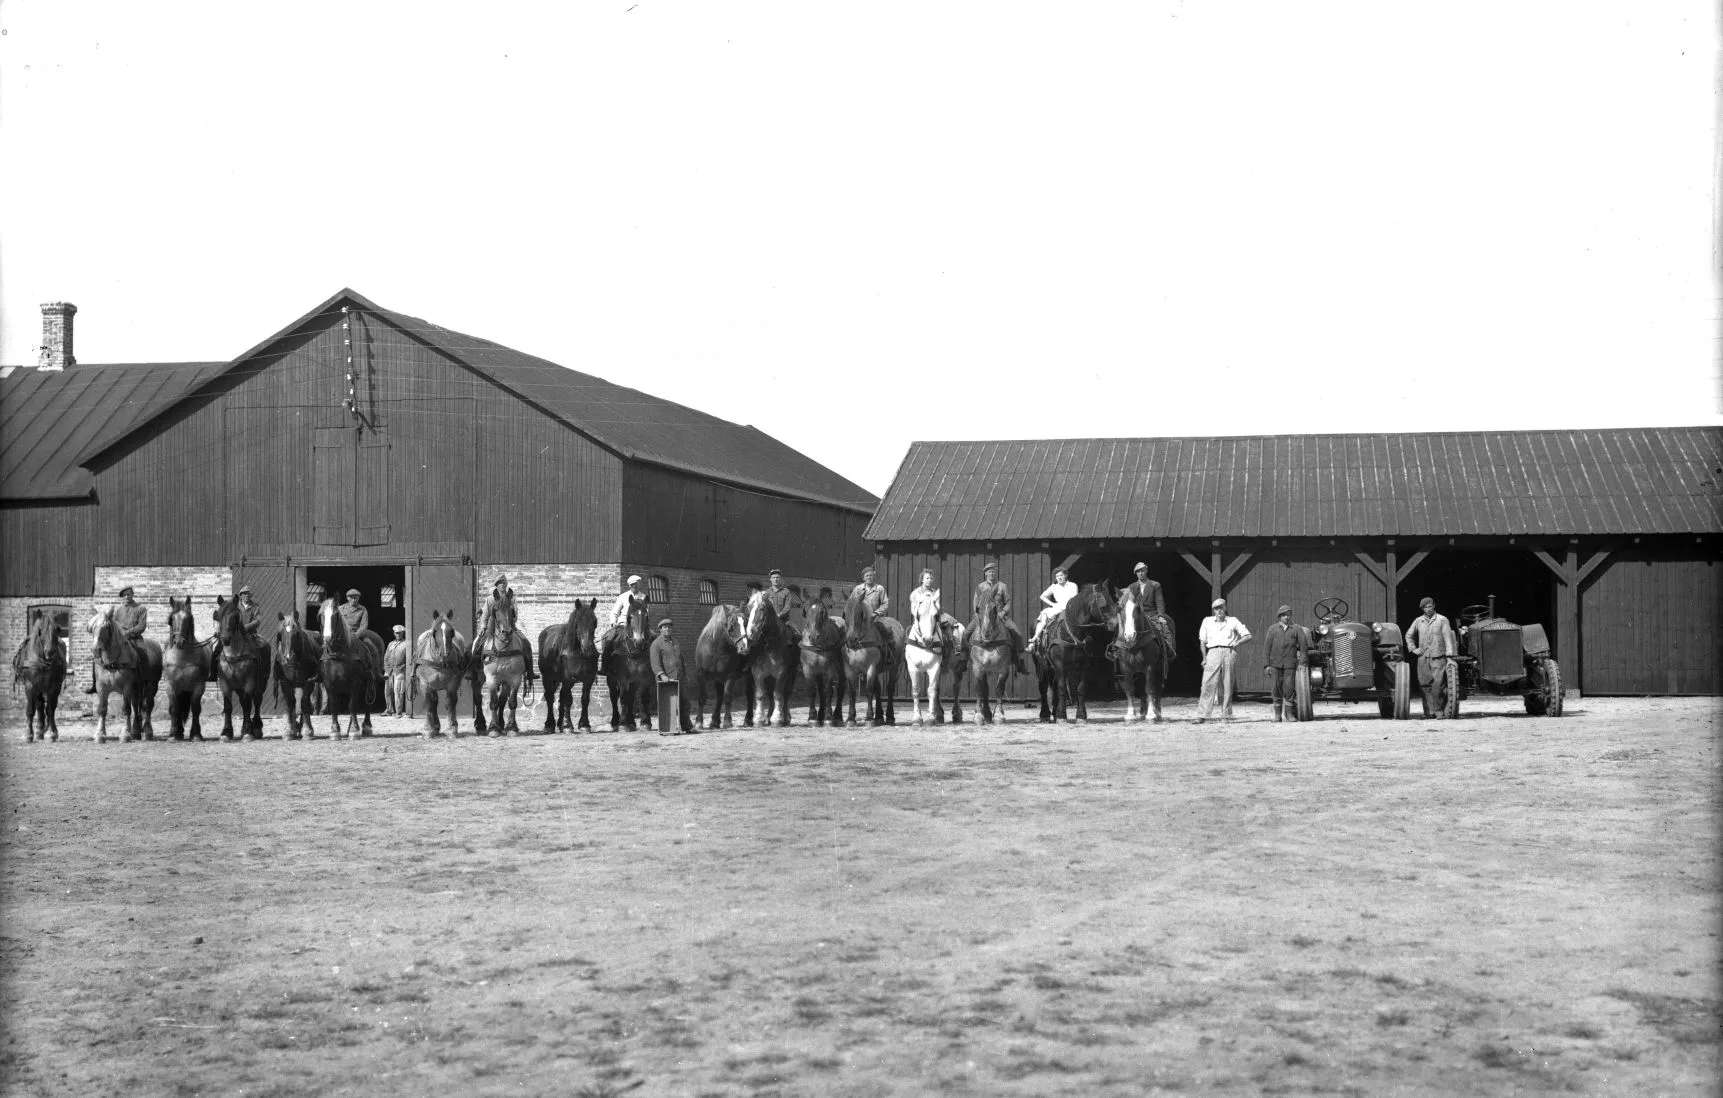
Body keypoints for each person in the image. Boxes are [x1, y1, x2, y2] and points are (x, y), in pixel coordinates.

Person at [1196, 597, 1253, 723]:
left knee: (1227, 683)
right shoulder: (1207, 621)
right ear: (1213, 610)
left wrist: (1236, 643)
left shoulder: (1233, 621)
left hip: (1228, 652)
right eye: (1216, 608)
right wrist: (1204, 658)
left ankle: (1226, 715)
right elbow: (1202, 641)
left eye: (1221, 607)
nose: (1219, 610)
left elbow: (1248, 635)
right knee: (1207, 683)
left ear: (1225, 608)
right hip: (1212, 652)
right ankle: (1203, 714)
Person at [86, 585, 148, 692]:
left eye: (128, 594)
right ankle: (94, 684)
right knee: (97, 656)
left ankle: (144, 682)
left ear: (132, 595)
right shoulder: (118, 611)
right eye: (124, 595)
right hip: (120, 640)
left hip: (135, 639)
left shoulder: (141, 609)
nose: (126, 597)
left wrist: (127, 632)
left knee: (143, 654)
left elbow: (141, 626)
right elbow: (114, 625)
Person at [1404, 596, 1457, 718]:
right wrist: (1413, 649)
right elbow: (1408, 635)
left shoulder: (1442, 620)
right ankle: (1428, 712)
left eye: (1429, 606)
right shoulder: (1418, 621)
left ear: (1434, 606)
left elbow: (1448, 638)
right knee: (1424, 684)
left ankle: (1438, 711)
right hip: (1423, 657)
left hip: (1438, 656)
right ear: (1422, 609)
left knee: (1438, 684)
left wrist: (1449, 655)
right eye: (1425, 607)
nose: (1428, 609)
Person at [971, 562, 1027, 670]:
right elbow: (976, 603)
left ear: (995, 573)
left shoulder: (1002, 586)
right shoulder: (980, 587)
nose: (991, 574)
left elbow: (1008, 602)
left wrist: (1003, 612)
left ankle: (1020, 661)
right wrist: (978, 615)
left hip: (1000, 615)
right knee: (966, 633)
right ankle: (963, 660)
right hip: (983, 617)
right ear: (985, 573)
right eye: (989, 572)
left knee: (1017, 633)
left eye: (993, 572)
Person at [1262, 604, 1309, 722]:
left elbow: (1304, 647)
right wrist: (1266, 665)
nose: (1286, 617)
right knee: (1276, 688)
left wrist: (1302, 663)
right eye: (1283, 615)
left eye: (1288, 615)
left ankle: (1289, 714)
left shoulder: (1297, 629)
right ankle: (1277, 716)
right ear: (1279, 617)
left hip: (1290, 665)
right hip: (1275, 665)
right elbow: (1267, 648)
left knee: (1289, 688)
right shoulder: (1272, 629)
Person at [649, 618, 694, 734]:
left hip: (680, 677)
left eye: (669, 627)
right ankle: (669, 728)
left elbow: (681, 659)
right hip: (667, 680)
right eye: (665, 627)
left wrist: (685, 674)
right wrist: (662, 675)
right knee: (669, 704)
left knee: (685, 702)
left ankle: (687, 726)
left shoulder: (675, 642)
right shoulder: (656, 644)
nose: (667, 629)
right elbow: (655, 663)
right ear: (660, 630)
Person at [599, 575, 649, 675]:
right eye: (633, 585)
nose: (635, 586)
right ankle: (605, 666)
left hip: (640, 625)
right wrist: (614, 622)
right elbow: (614, 612)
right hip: (623, 625)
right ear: (630, 586)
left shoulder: (644, 597)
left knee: (654, 638)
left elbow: (647, 613)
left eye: (636, 584)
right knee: (609, 639)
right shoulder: (623, 597)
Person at [1125, 563, 1177, 658]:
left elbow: (1159, 601)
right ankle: (1116, 649)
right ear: (1136, 573)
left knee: (1164, 628)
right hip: (1136, 615)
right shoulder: (1131, 587)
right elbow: (1129, 604)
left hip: (1152, 614)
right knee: (1123, 628)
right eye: (1138, 571)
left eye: (1142, 571)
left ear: (1146, 571)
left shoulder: (1155, 585)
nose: (1141, 573)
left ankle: (1169, 649)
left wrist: (1160, 616)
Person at [477, 573, 529, 662]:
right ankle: (474, 669)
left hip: (510, 626)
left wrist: (510, 621)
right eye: (501, 583)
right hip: (491, 628)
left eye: (505, 583)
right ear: (497, 585)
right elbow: (485, 615)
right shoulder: (490, 599)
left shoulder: (512, 599)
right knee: (478, 644)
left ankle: (529, 671)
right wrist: (483, 627)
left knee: (525, 642)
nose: (503, 585)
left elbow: (515, 614)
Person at [337, 588, 384, 680]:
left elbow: (363, 626)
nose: (354, 600)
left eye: (356, 598)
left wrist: (355, 636)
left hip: (357, 635)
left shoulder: (362, 609)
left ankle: (376, 672)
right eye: (352, 598)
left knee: (372, 648)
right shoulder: (340, 609)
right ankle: (319, 673)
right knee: (324, 647)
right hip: (341, 636)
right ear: (347, 598)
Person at [1029, 567, 1078, 645]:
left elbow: (1074, 599)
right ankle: (1035, 637)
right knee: (1044, 616)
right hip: (1057, 608)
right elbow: (1042, 596)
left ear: (1065, 575)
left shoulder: (1073, 585)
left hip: (1070, 608)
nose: (1059, 577)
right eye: (1057, 576)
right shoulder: (1054, 587)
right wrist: (1052, 604)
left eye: (1061, 575)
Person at [383, 625, 410, 716]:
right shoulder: (391, 644)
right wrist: (386, 669)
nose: (398, 634)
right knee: (387, 690)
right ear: (394, 633)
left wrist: (404, 668)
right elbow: (386, 657)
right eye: (396, 633)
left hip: (400, 670)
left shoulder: (407, 644)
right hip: (389, 670)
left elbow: (409, 658)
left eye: (400, 633)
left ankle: (398, 712)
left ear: (403, 633)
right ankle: (389, 710)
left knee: (398, 691)